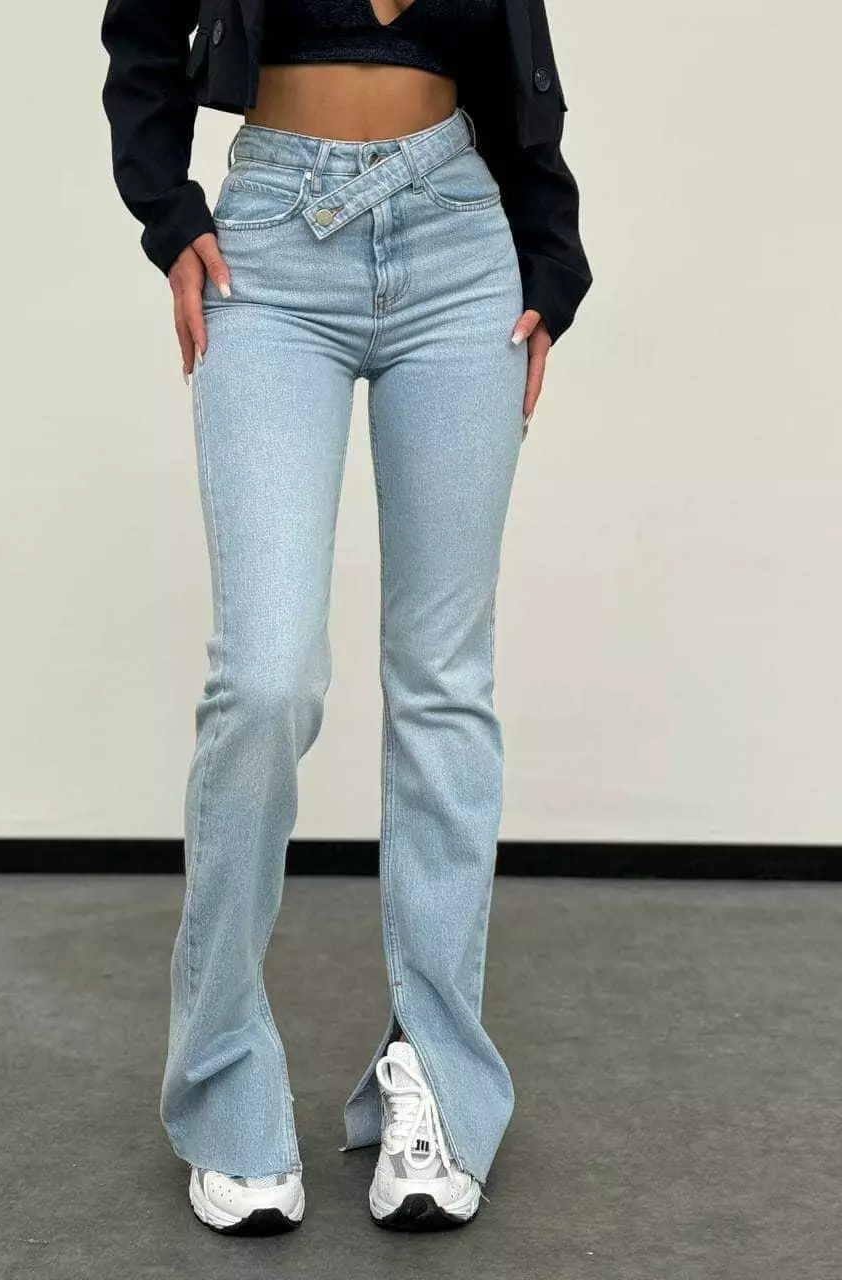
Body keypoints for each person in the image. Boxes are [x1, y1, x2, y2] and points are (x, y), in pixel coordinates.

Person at [99, 0, 591, 1236]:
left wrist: (549, 256)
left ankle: (436, 1079)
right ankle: (225, 1083)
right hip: (271, 243)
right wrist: (169, 210)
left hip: (459, 239)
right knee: (266, 676)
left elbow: (521, 64)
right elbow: (143, 31)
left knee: (442, 679)